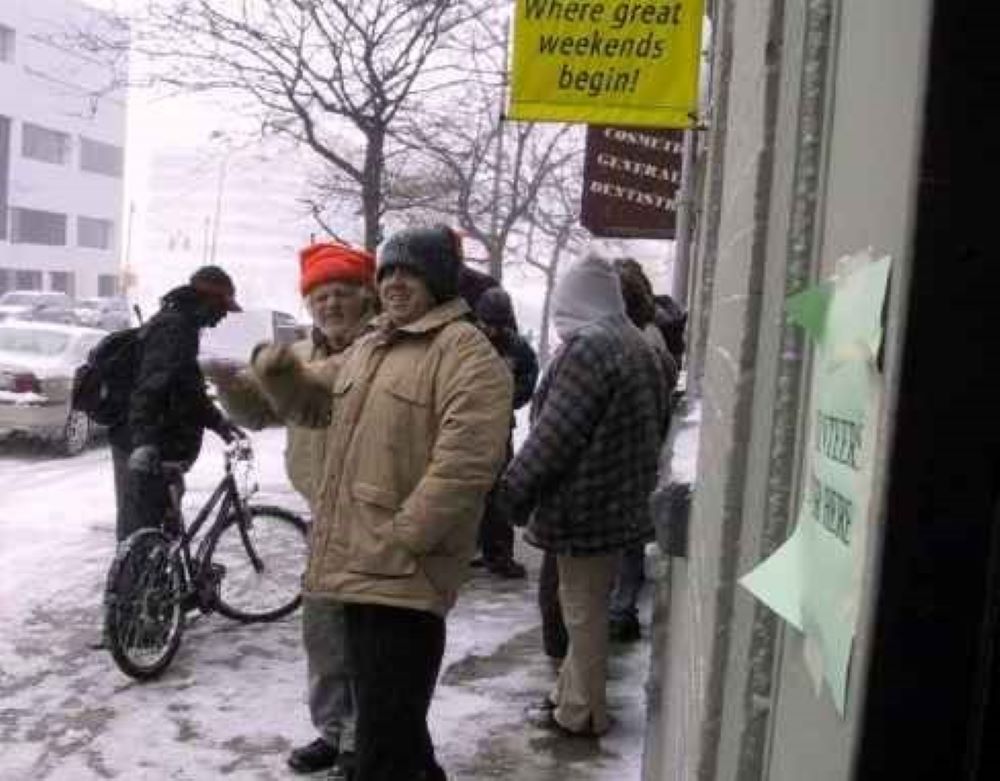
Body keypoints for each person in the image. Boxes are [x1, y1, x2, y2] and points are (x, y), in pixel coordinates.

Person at [251, 225, 513, 780]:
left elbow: (466, 465)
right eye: (387, 272)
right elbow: (313, 394)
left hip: (404, 571)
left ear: (438, 279)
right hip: (362, 560)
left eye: (408, 272)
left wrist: (406, 535)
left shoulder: (465, 353)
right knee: (393, 727)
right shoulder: (374, 346)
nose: (394, 283)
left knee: (382, 744)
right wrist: (280, 375)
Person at [208, 242, 376, 779]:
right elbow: (258, 416)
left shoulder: (380, 352)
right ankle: (333, 732)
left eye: (341, 294)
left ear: (365, 297)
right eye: (320, 296)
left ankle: (362, 739)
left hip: (374, 514)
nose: (330, 305)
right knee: (324, 633)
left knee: (368, 638)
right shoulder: (300, 354)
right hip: (321, 513)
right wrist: (230, 386)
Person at [501, 253, 665, 738]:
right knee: (587, 605)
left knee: (582, 613)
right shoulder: (635, 343)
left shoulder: (590, 348)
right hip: (620, 503)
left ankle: (582, 714)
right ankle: (569, 696)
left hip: (586, 506)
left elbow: (556, 435)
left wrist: (511, 492)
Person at [108, 265, 243, 546]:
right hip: (145, 449)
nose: (222, 318)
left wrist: (221, 424)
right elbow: (150, 387)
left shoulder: (183, 325)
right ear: (209, 299)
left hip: (161, 450)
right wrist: (144, 443)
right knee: (140, 537)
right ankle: (130, 590)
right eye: (222, 309)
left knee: (162, 535)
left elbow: (188, 391)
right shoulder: (174, 327)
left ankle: (161, 587)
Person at [608, 258, 678, 642]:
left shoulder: (639, 347)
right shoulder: (653, 340)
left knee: (626, 540)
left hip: (630, 457)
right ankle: (621, 608)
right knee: (630, 539)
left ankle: (620, 610)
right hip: (641, 458)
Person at [472, 287, 538, 579]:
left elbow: (529, 378)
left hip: (499, 428)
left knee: (498, 494)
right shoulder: (467, 341)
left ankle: (498, 554)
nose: (493, 331)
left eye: (498, 325)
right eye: (488, 324)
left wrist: (509, 397)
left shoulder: (517, 347)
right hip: (464, 425)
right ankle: (472, 549)